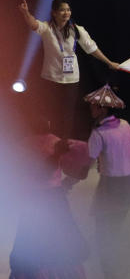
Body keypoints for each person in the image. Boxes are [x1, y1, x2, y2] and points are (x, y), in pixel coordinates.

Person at [18, 0, 120, 138]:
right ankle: (53, 142)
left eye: (68, 10)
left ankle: (63, 143)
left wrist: (109, 62)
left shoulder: (76, 30)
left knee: (67, 114)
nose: (66, 13)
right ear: (54, 12)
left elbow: (92, 48)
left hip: (71, 79)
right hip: (51, 78)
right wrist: (25, 13)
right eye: (62, 10)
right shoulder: (47, 28)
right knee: (52, 112)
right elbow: (33, 24)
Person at [8, 117, 91, 279]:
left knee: (31, 240)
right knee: (59, 240)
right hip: (54, 200)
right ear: (49, 124)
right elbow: (84, 160)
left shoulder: (22, 145)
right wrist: (68, 184)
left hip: (32, 201)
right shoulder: (58, 142)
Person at [84, 84, 130, 279]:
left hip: (111, 186)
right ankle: (114, 266)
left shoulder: (98, 134)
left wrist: (68, 181)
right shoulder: (126, 125)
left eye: (93, 106)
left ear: (102, 108)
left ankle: (109, 272)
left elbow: (86, 163)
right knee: (115, 227)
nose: (91, 109)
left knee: (103, 232)